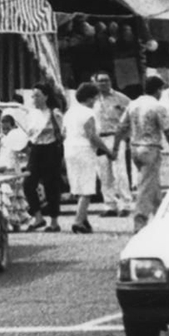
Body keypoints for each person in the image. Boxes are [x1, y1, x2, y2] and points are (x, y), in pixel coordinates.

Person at [120, 80, 169, 230]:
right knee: (146, 186)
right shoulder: (158, 106)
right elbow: (168, 132)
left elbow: (121, 126)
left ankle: (160, 217)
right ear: (159, 90)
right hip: (150, 148)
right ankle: (140, 220)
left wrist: (115, 146)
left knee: (152, 184)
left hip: (135, 147)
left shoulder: (133, 104)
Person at [21, 87, 67, 233]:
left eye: (37, 96)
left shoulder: (54, 113)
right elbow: (28, 132)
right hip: (35, 150)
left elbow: (64, 132)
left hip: (51, 149)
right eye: (33, 96)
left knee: (51, 185)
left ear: (46, 97)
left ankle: (54, 221)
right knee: (28, 183)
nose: (34, 99)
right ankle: (38, 217)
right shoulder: (31, 114)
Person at [61, 83, 105, 234]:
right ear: (90, 98)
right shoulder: (88, 113)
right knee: (87, 187)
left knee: (79, 185)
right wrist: (107, 150)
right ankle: (78, 221)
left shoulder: (69, 113)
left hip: (69, 149)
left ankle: (84, 219)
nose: (95, 102)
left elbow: (63, 133)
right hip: (84, 150)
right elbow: (92, 136)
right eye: (95, 98)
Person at [88, 72, 131, 215]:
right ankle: (110, 204)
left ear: (110, 81)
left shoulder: (121, 98)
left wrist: (126, 136)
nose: (103, 84)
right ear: (95, 83)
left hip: (115, 137)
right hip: (99, 138)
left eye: (106, 80)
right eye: (100, 81)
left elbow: (131, 118)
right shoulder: (92, 101)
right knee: (103, 173)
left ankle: (125, 204)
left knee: (120, 172)